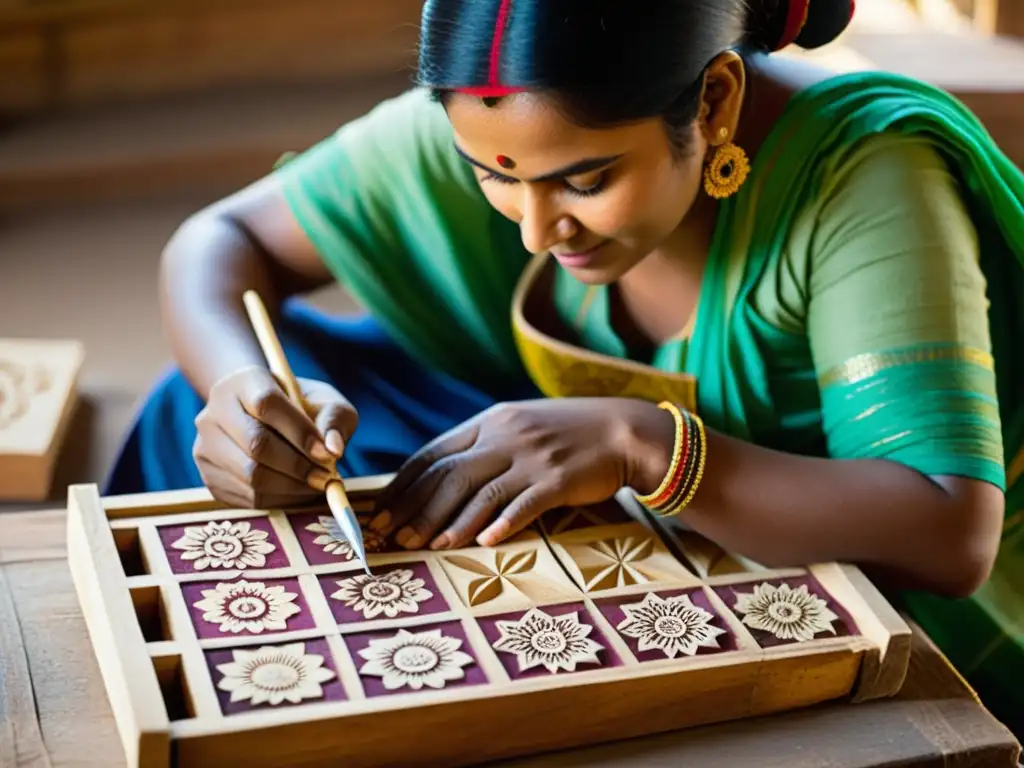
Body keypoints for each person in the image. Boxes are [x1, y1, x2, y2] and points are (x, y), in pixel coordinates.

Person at [106, 0, 1024, 735]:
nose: (537, 230)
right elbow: (219, 241)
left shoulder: (867, 176)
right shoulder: (507, 115)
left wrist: (643, 444)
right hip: (605, 469)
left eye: (585, 181)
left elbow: (948, 531)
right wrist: (241, 388)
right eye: (493, 178)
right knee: (198, 403)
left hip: (859, 555)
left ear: (713, 102)